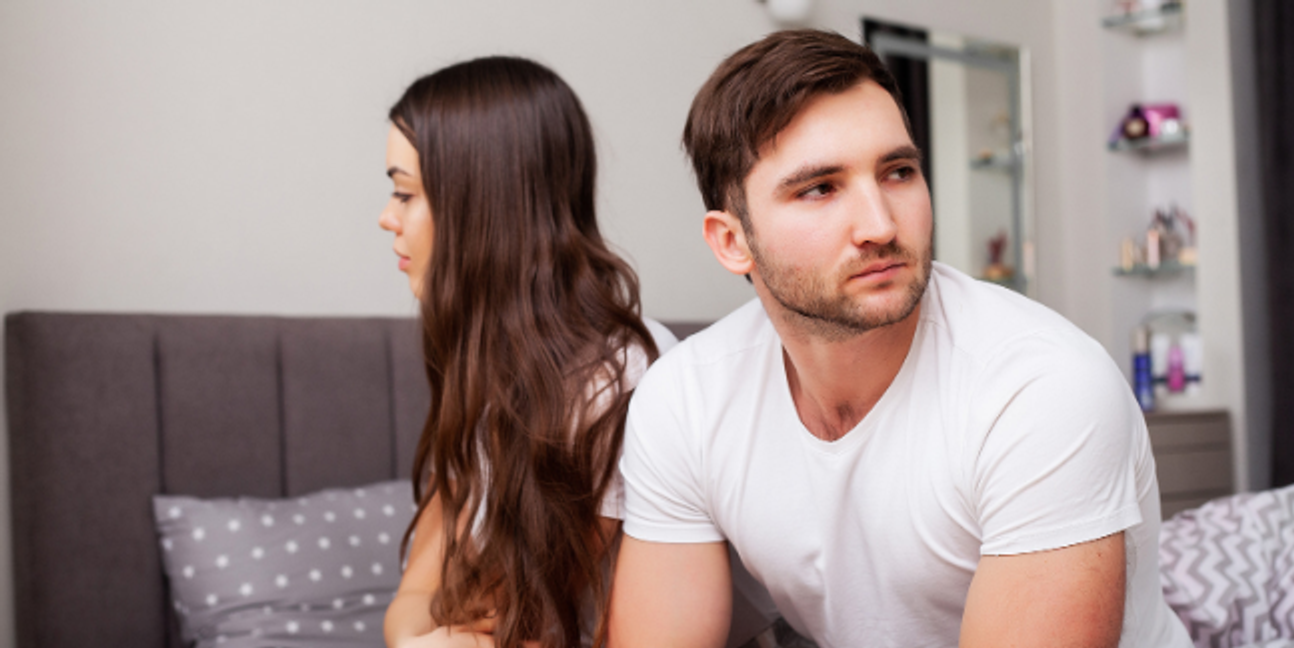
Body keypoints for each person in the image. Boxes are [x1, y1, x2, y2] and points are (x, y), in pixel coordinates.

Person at [609, 30, 1192, 648]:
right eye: (820, 188)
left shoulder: (1042, 390)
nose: (881, 225)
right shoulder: (685, 399)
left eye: (898, 172)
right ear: (732, 242)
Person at [377, 56, 676, 648]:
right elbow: (415, 600)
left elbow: (522, 621)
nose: (387, 217)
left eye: (406, 193)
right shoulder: (487, 369)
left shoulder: (617, 375)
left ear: (483, 208)